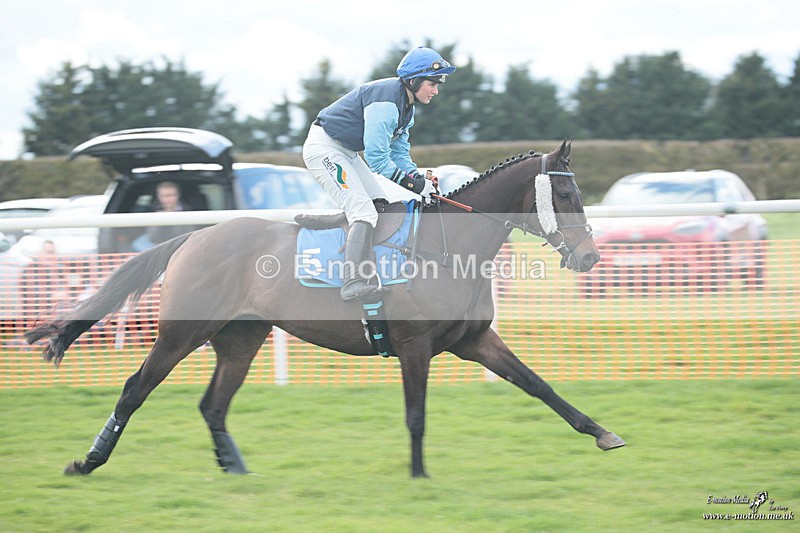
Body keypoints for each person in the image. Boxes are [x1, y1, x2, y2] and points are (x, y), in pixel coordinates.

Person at [303, 46, 456, 301]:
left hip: (346, 151)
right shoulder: (386, 103)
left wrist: (419, 181)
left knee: (379, 205)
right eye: (432, 83)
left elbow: (398, 154)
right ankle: (351, 281)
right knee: (363, 211)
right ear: (414, 80)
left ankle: (345, 228)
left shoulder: (407, 108)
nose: (436, 90)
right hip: (325, 149)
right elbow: (376, 159)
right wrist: (413, 186)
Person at [132, 181, 196, 252]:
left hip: (181, 244)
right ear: (159, 197)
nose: (168, 199)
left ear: (178, 195)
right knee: (138, 243)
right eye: (164, 196)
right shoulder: (153, 209)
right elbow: (152, 237)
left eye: (171, 195)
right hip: (157, 244)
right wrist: (157, 219)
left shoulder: (188, 211)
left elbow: (190, 235)